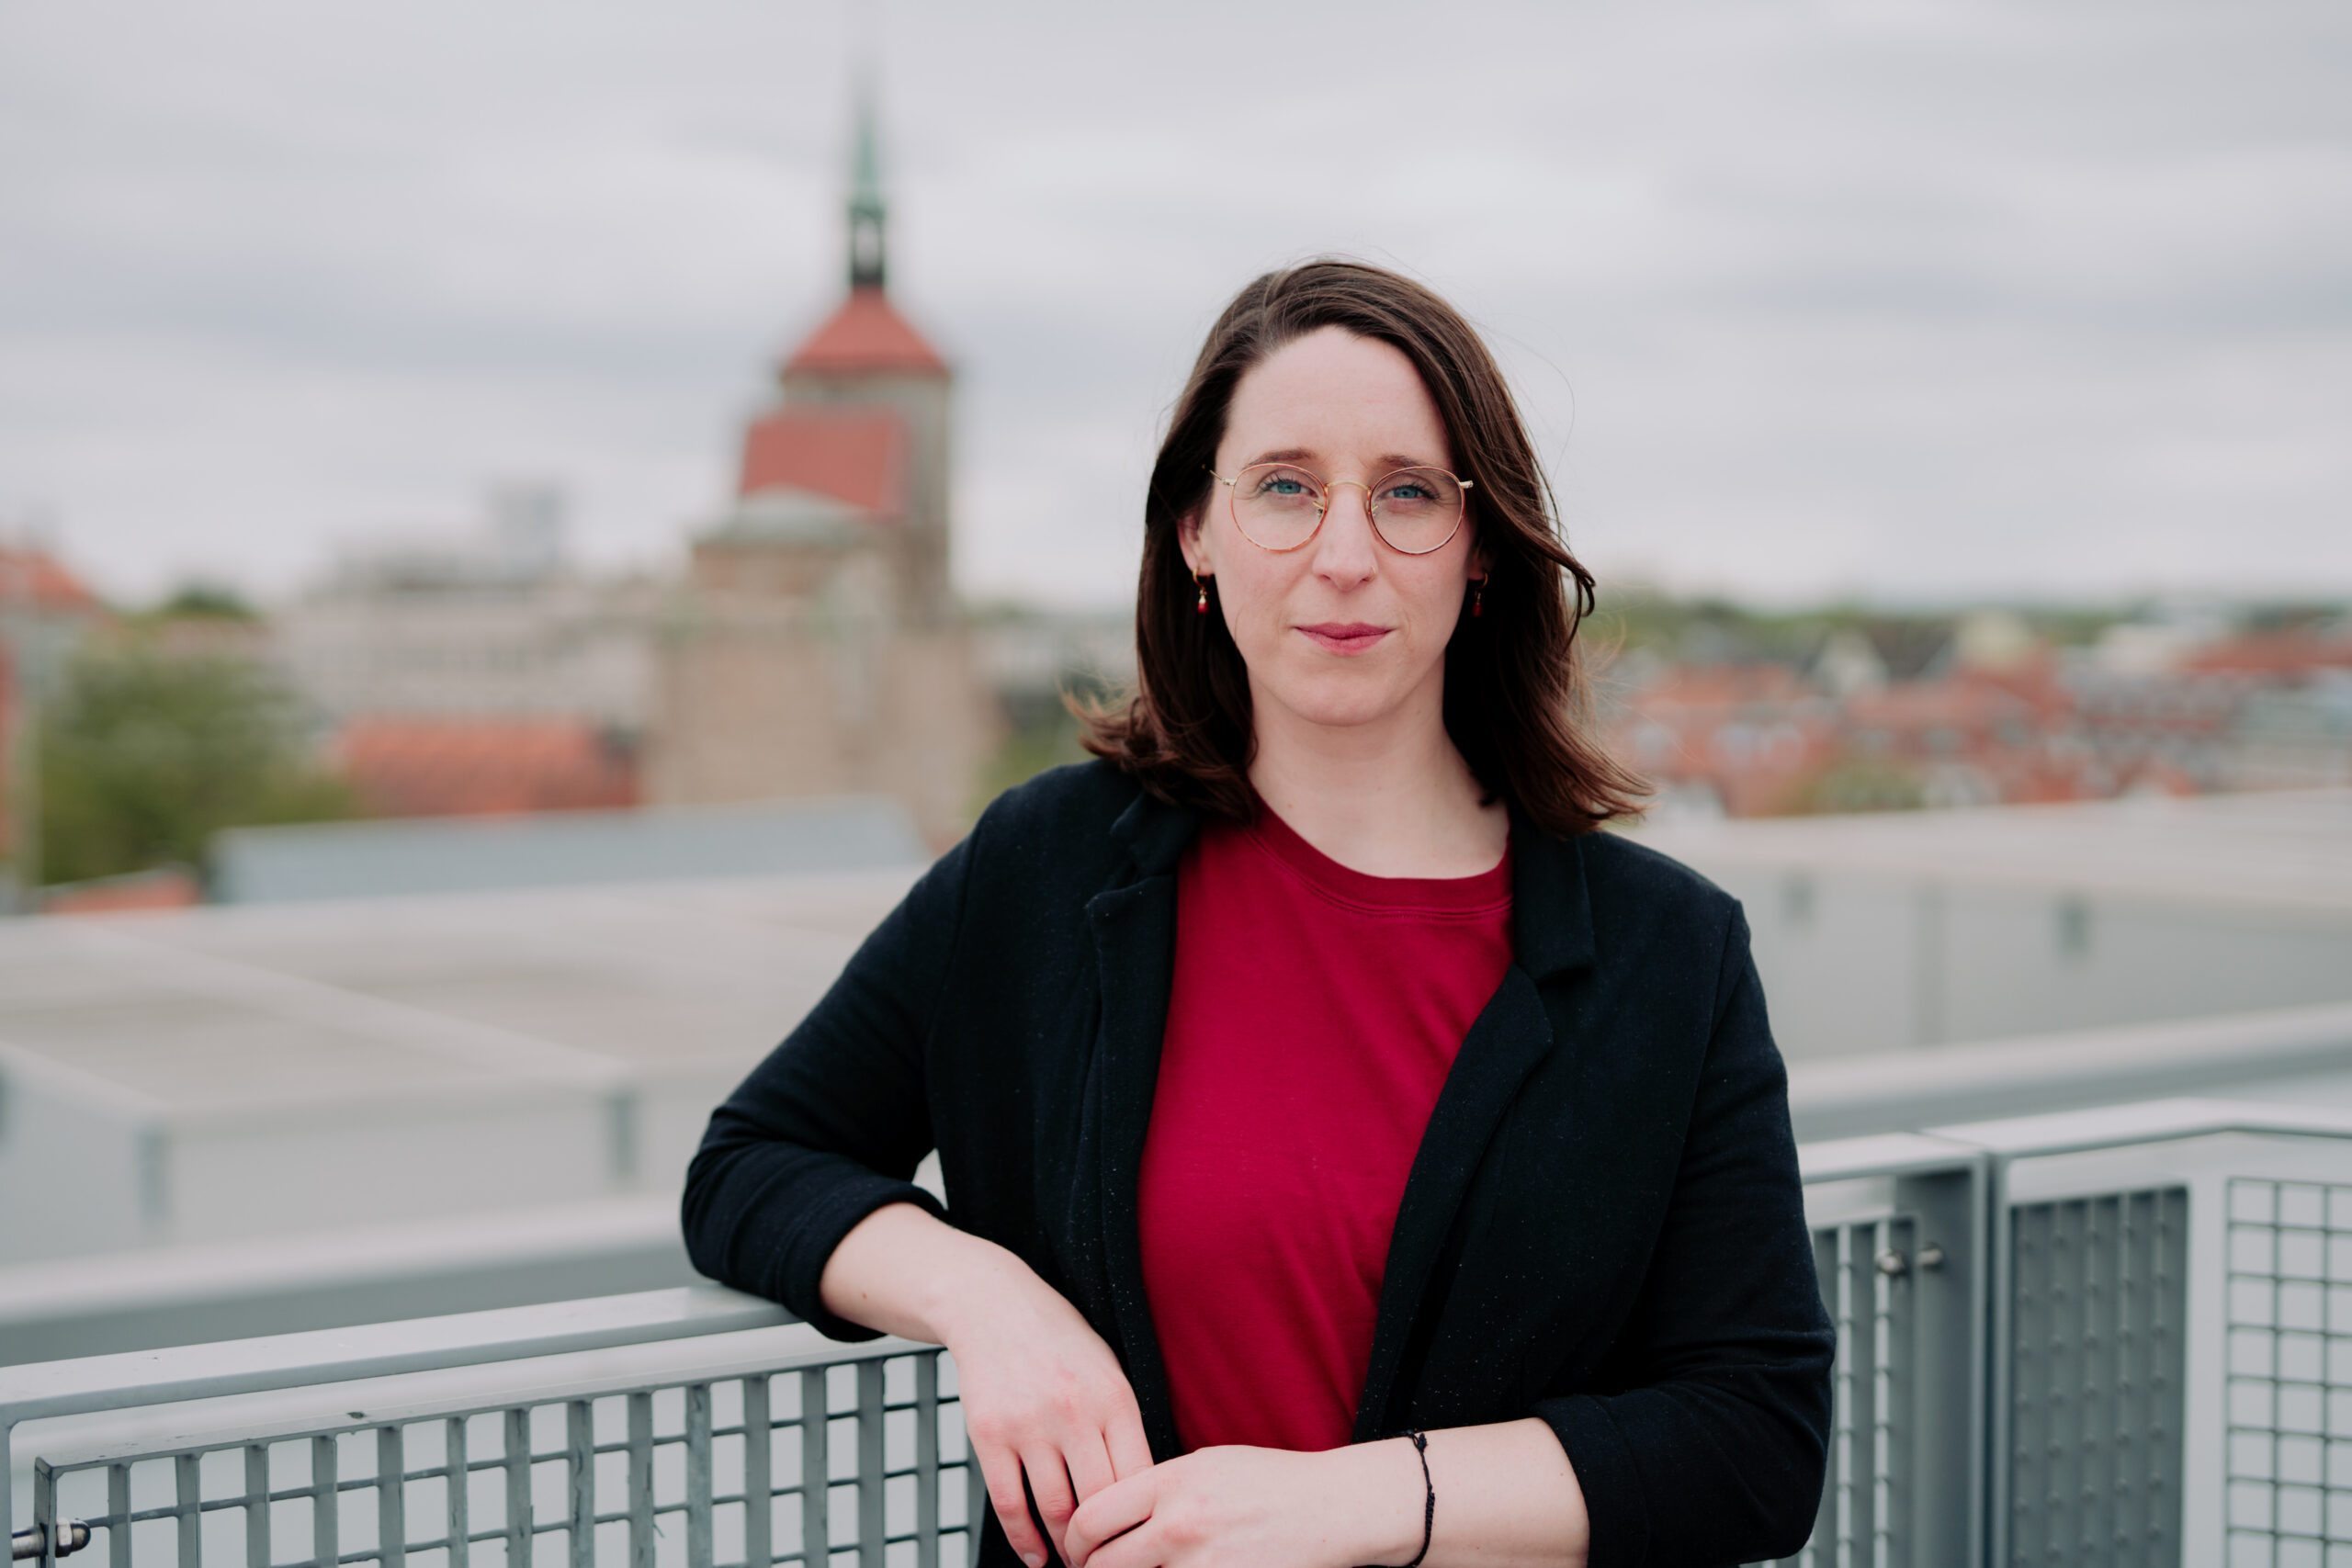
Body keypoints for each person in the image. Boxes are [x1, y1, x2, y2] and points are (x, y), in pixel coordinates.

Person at [684, 261, 1833, 1568]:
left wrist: (1356, 1505)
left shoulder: (1667, 954)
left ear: (1480, 552)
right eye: (1284, 487)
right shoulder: (1046, 868)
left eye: (1407, 494)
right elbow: (751, 1164)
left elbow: (1757, 1439)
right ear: (1196, 533)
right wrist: (995, 1304)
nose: (1344, 556)